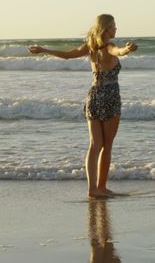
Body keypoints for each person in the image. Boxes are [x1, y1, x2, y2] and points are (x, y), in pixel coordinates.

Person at [28, 14, 137, 198]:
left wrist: (43, 49)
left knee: (95, 145)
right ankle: (101, 187)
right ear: (106, 28)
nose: (116, 29)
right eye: (114, 26)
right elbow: (117, 52)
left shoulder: (90, 47)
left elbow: (68, 55)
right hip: (110, 96)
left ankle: (92, 189)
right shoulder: (108, 46)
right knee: (107, 146)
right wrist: (126, 50)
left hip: (93, 96)